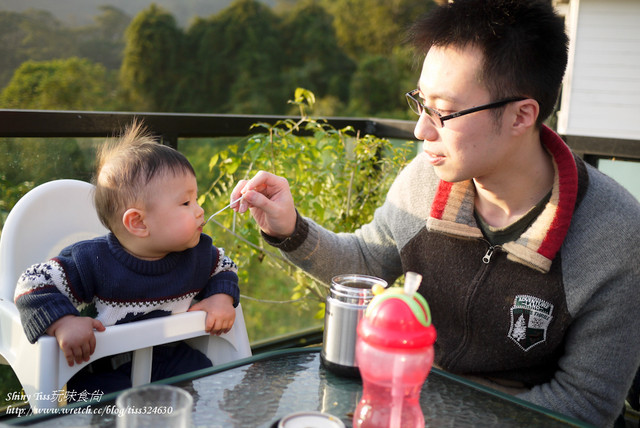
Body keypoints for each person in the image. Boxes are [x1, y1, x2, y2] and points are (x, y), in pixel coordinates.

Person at [230, 0, 640, 426]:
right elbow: (369, 260)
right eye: (420, 102)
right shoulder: (427, 180)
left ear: (521, 115)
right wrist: (291, 229)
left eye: (443, 111)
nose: (421, 130)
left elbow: (584, 406)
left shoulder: (613, 235)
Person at [14, 121, 240, 396]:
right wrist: (63, 322)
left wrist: (221, 298)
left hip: (173, 361)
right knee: (95, 404)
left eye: (196, 199)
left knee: (211, 385)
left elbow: (224, 268)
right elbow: (31, 284)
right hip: (106, 370)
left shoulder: (199, 253)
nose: (199, 210)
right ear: (138, 223)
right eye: (185, 203)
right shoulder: (92, 260)